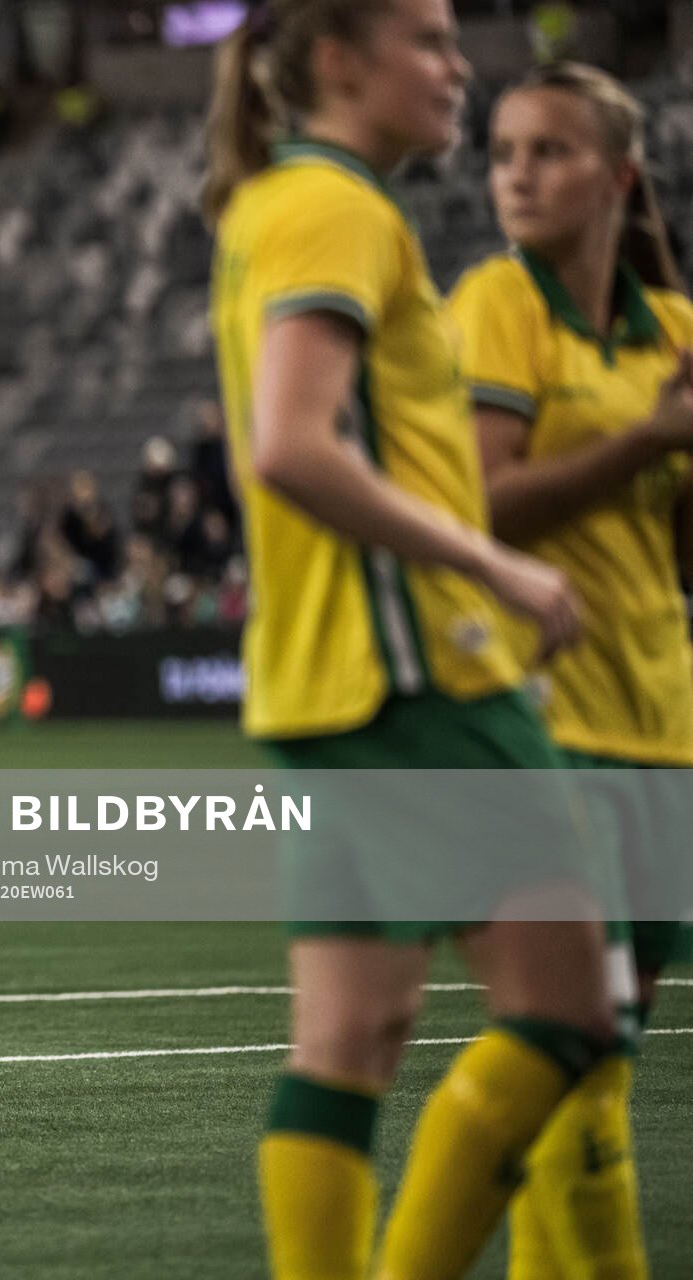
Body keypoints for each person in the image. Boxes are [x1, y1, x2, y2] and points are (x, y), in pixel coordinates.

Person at [203, 3, 623, 1277]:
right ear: (340, 62)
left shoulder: (277, 202)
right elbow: (290, 444)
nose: (456, 67)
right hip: (412, 673)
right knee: (571, 1013)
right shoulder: (336, 208)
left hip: (323, 682)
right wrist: (492, 563)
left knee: (349, 1041)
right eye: (429, 40)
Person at [448, 60, 693, 1278]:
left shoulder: (676, 331)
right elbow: (482, 502)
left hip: (662, 720)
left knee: (605, 1051)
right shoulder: (497, 302)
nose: (518, 174)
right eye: (503, 152)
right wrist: (647, 438)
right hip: (548, 719)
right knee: (566, 1044)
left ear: (619, 176)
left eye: (548, 150)